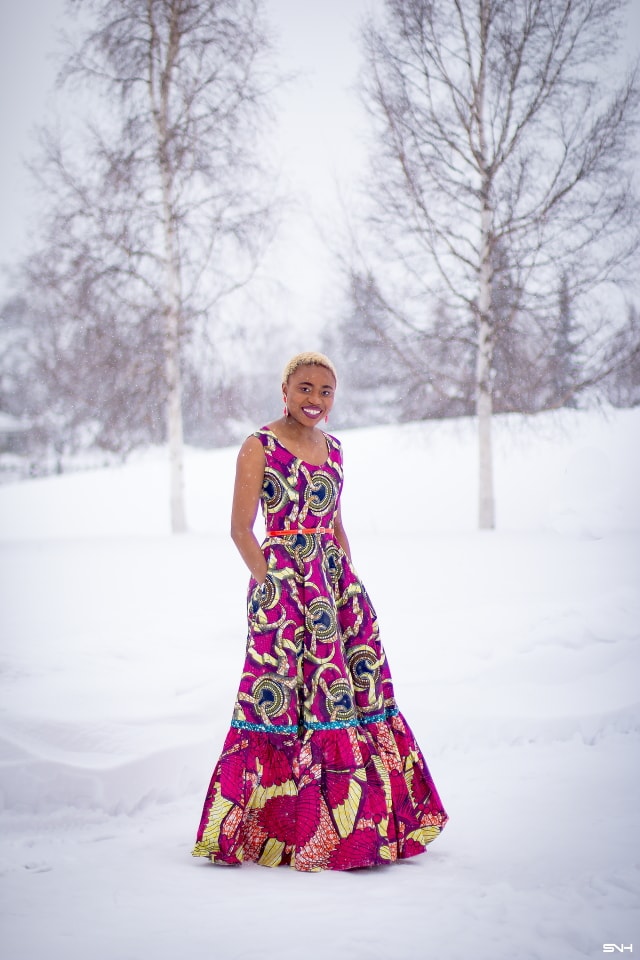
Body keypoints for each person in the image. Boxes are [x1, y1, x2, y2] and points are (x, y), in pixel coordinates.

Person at [192, 351, 448, 871]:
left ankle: (357, 830)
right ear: (284, 390)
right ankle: (275, 833)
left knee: (349, 696)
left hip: (334, 592)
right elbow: (241, 529)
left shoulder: (334, 449)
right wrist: (270, 583)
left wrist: (347, 581)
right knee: (280, 699)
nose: (315, 399)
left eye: (326, 391)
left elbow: (333, 524)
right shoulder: (257, 446)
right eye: (305, 388)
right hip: (283, 591)